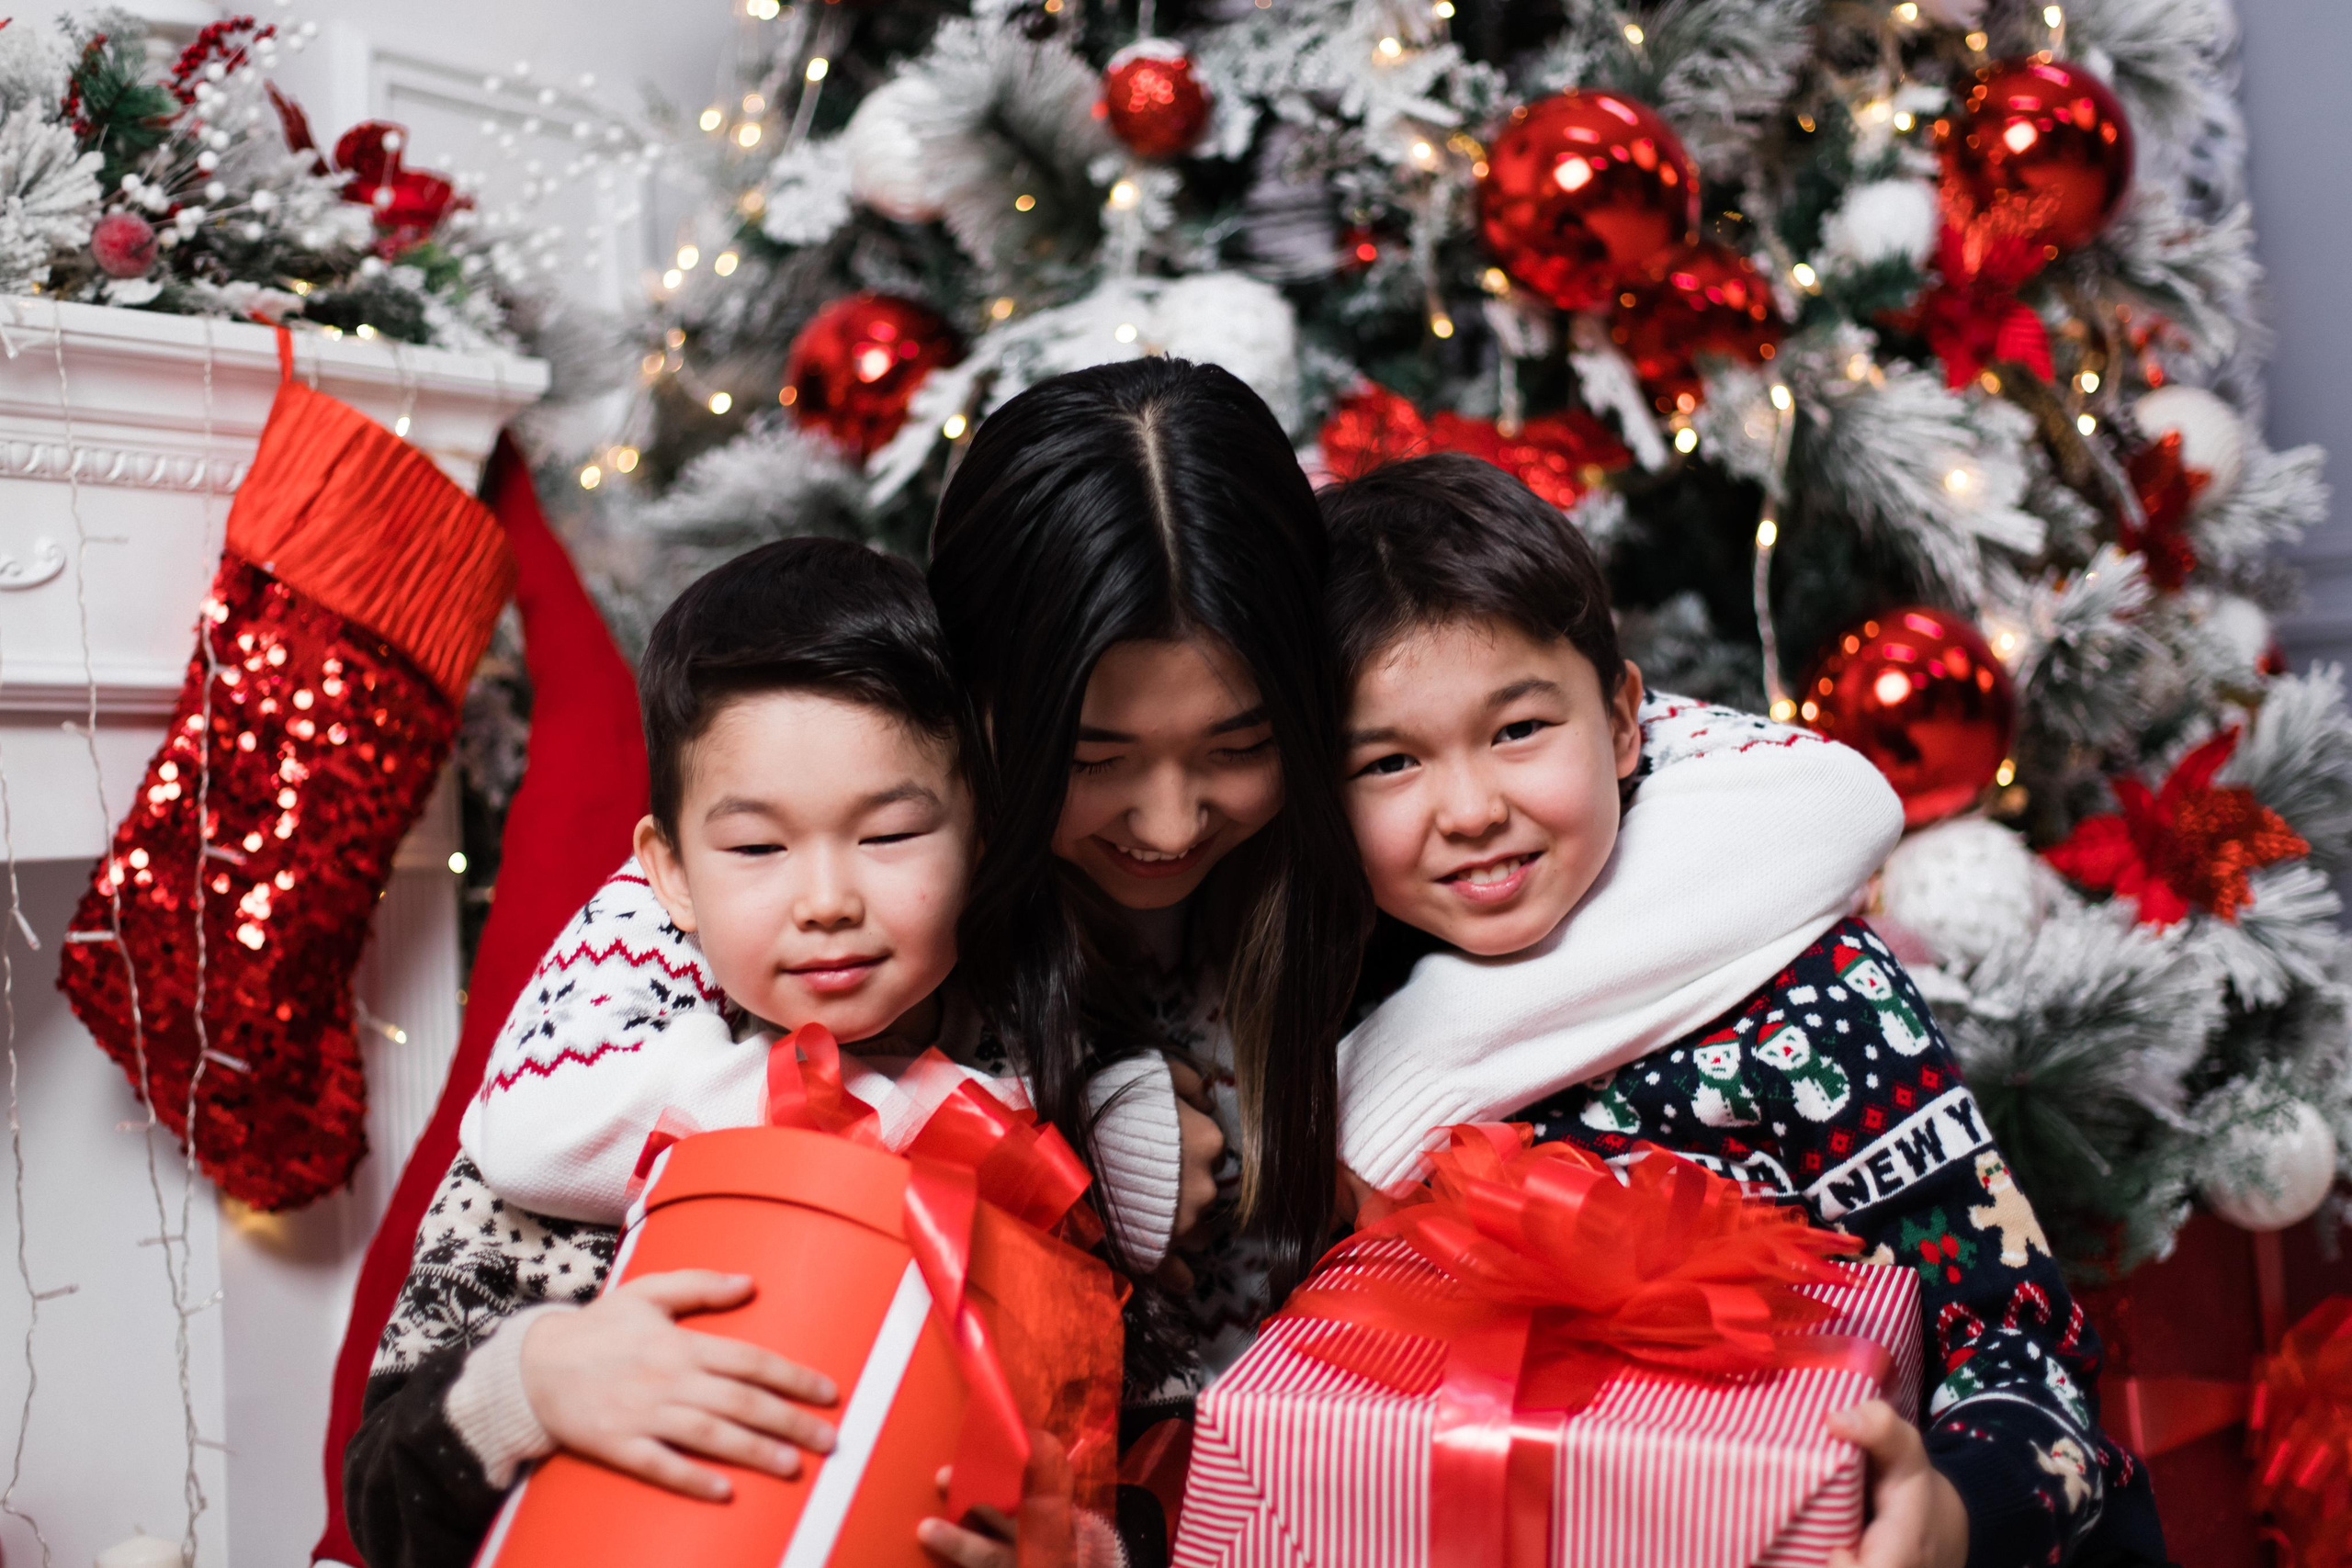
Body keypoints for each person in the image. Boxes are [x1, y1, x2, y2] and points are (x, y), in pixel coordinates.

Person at [1320, 453, 2168, 1568]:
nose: (1470, 809)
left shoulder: (1810, 999)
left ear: (1624, 722)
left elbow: (2021, 1338)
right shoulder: (1337, 996)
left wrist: (1953, 1510)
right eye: (1389, 762)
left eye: (1518, 730)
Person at [345, 538, 1151, 1568]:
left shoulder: (1042, 1111)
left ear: (982, 837)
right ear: (669, 872)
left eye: (891, 834)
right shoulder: (587, 1103)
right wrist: (532, 1385)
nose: (825, 902)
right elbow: (384, 1500)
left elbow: (1139, 1460)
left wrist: (1077, 1545)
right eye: (758, 849)